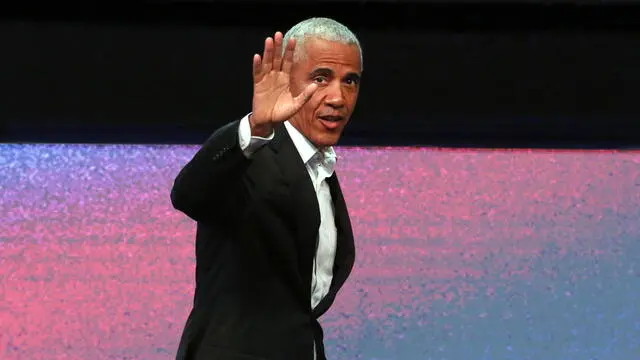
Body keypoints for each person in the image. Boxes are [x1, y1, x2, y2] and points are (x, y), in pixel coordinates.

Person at [170, 17, 363, 360]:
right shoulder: (253, 155)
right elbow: (189, 194)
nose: (338, 97)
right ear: (287, 80)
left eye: (350, 82)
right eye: (321, 78)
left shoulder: (323, 170)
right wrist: (254, 128)